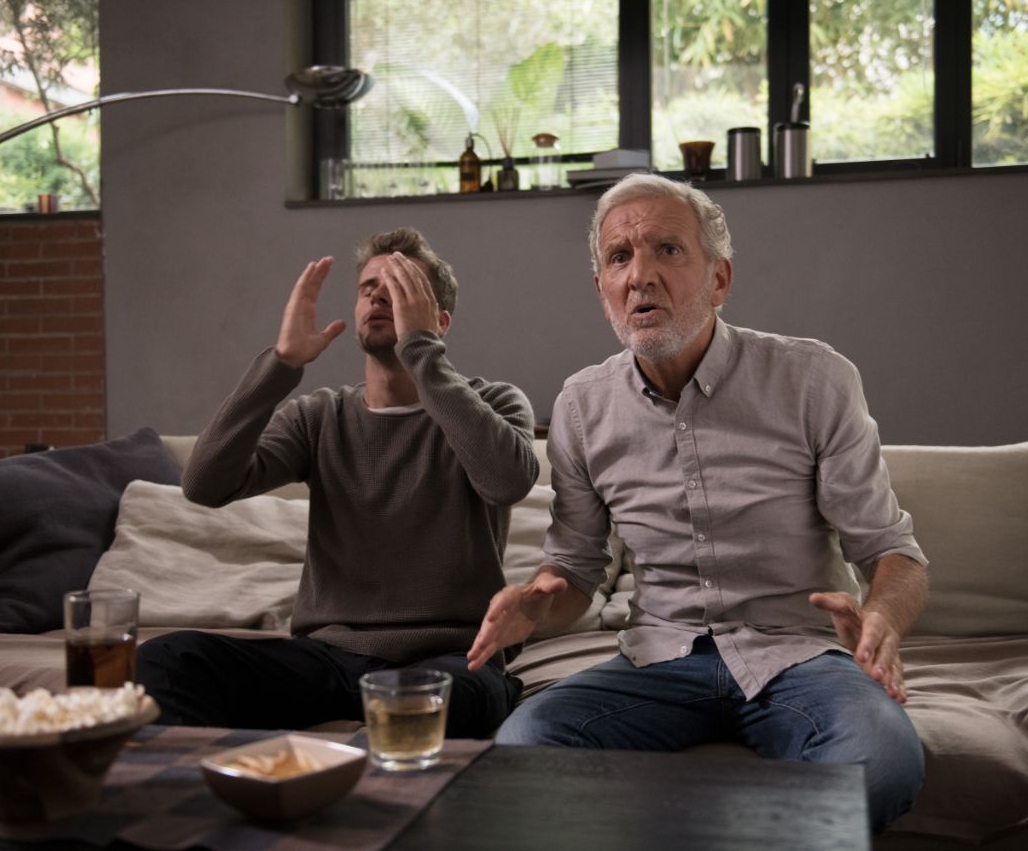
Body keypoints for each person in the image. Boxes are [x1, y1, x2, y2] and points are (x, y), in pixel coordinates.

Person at [466, 174, 928, 832]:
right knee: (525, 744)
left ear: (719, 279)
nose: (640, 275)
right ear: (602, 290)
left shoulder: (814, 379)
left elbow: (892, 551)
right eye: (620, 258)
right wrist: (540, 604)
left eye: (668, 250)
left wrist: (882, 617)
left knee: (881, 758)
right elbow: (574, 569)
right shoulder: (581, 406)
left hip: (797, 657)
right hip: (657, 663)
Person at [138, 227, 539, 737]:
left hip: (451, 659)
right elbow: (204, 484)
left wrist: (421, 350)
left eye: (400, 288)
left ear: (439, 320)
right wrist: (282, 364)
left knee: (447, 699)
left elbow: (507, 481)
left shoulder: (495, 402)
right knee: (166, 661)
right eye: (369, 287)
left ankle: (343, 766)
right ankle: (234, 781)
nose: (378, 297)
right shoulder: (319, 417)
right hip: (328, 658)